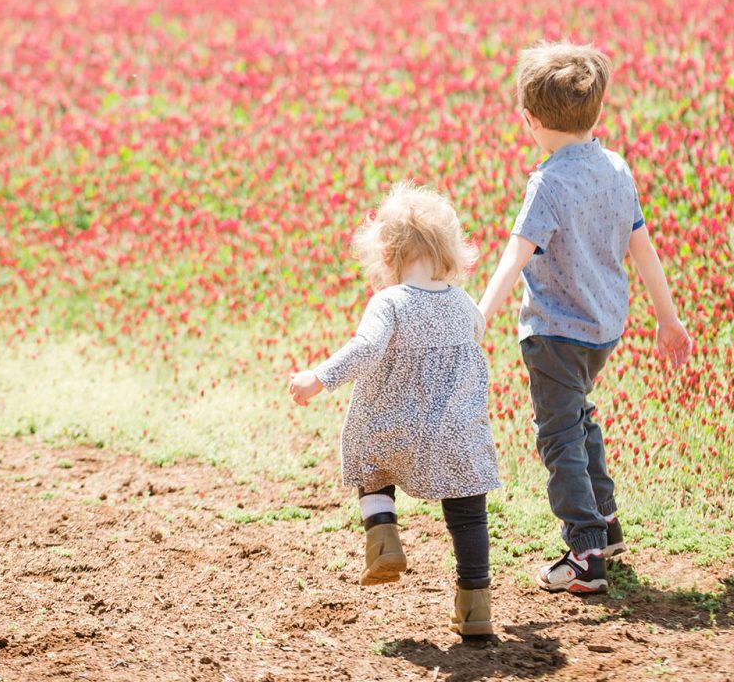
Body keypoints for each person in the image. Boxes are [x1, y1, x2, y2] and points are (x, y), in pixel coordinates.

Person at [478, 41, 692, 595]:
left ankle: (585, 550)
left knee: (559, 437)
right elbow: (643, 250)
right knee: (579, 421)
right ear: (597, 111)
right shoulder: (616, 168)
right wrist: (668, 320)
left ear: (528, 120)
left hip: (552, 335)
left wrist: (476, 318)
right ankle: (608, 524)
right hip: (602, 331)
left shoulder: (546, 184)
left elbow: (513, 258)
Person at [289, 182, 500, 639]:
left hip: (393, 432)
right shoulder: (464, 305)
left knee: (367, 450)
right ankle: (475, 607)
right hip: (456, 437)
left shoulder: (388, 302)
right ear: (449, 249)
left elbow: (366, 349)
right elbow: (476, 335)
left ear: (386, 254)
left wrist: (319, 378)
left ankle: (382, 533)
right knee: (469, 515)